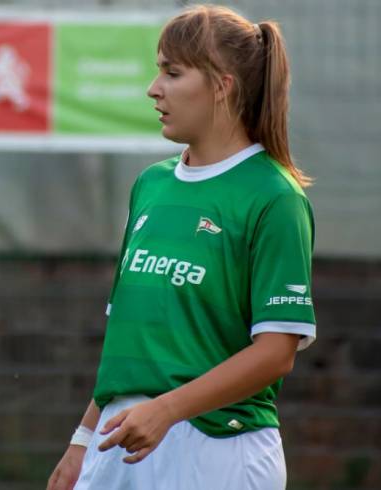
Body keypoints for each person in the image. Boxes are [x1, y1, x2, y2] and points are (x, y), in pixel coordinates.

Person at [47, 5, 316, 490]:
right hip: (119, 440)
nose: (154, 89)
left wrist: (166, 410)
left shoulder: (275, 197)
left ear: (222, 86)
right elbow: (130, 346)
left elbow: (276, 353)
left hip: (219, 449)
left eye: (172, 73)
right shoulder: (150, 185)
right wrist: (82, 439)